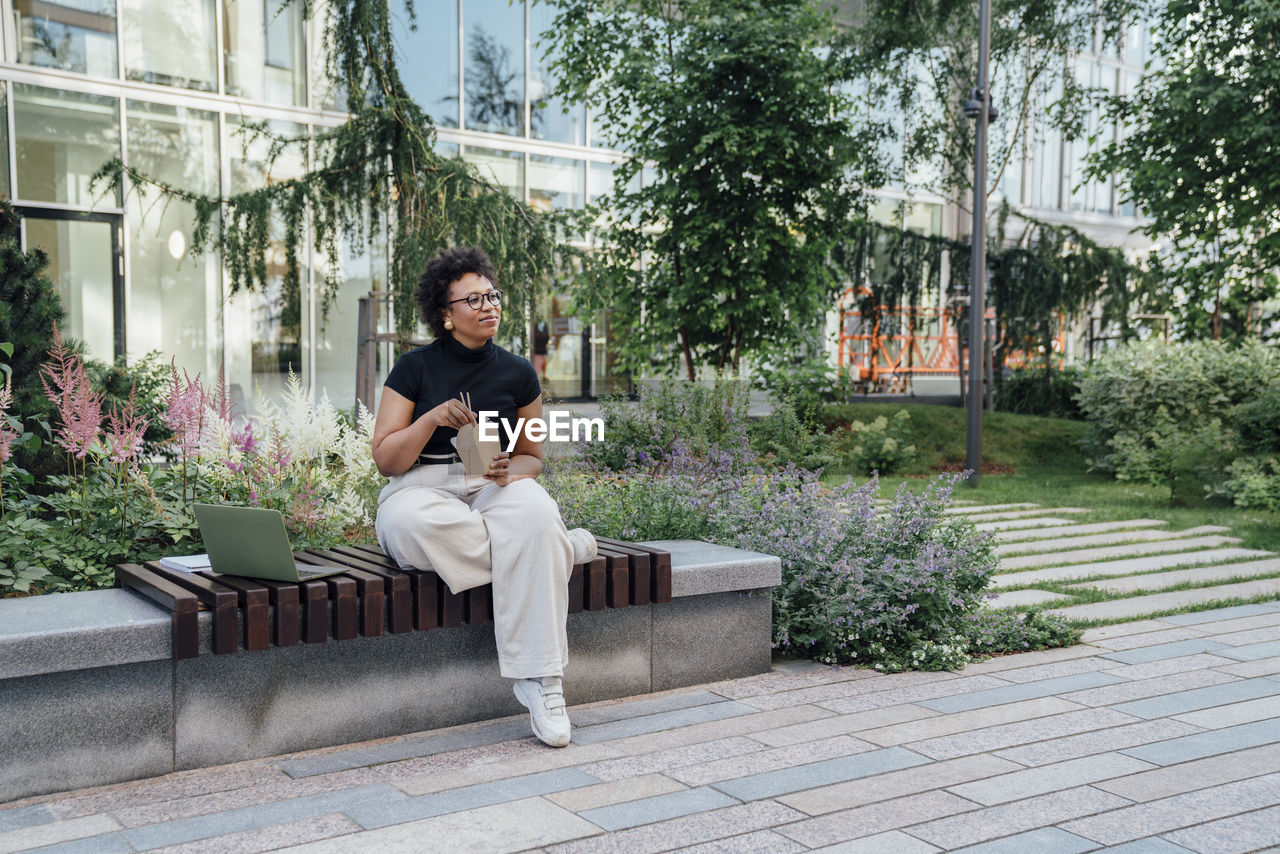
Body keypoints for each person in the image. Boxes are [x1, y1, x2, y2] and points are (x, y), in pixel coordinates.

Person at [370, 246, 596, 748]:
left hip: (490, 485)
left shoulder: (518, 372)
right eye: (472, 299)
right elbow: (386, 459)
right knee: (413, 527)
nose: (487, 305)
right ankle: (559, 549)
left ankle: (541, 681)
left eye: (492, 295)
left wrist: (503, 470)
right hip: (420, 488)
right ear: (446, 315)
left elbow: (532, 457)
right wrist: (429, 419)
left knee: (535, 508)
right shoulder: (414, 369)